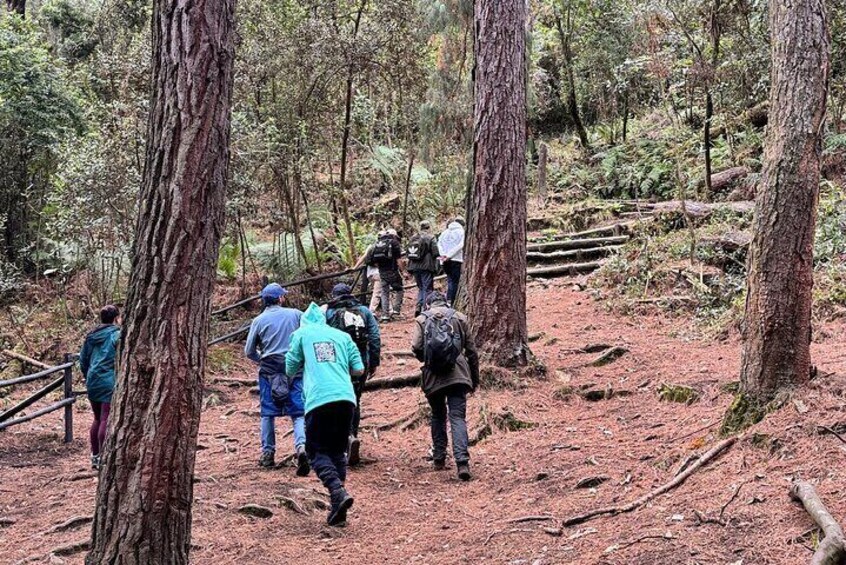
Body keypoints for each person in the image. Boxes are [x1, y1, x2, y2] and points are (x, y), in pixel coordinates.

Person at [286, 303, 365, 527]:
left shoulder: (300, 334)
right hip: (346, 398)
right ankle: (337, 507)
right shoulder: (341, 336)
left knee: (314, 450)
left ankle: (337, 491)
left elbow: (290, 367)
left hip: (319, 400)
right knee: (338, 450)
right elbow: (358, 369)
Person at [411, 291, 479, 481]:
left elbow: (416, 347)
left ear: (428, 305)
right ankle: (462, 462)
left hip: (433, 376)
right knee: (457, 417)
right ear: (446, 302)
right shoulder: (459, 317)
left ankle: (439, 458)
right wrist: (474, 378)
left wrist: (429, 360)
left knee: (438, 415)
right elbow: (472, 350)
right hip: (458, 374)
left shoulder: (421, 319)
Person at [244, 283, 309, 476]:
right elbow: (306, 336)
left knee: (268, 412)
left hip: (269, 370)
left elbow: (249, 351)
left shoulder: (258, 320)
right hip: (294, 367)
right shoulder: (296, 315)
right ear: (280, 298)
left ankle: (268, 453)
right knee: (298, 412)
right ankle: (301, 447)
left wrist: (262, 359)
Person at [324, 283, 381, 465]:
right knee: (355, 399)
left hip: (337, 365)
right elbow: (374, 336)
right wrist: (374, 362)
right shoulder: (364, 311)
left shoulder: (329, 313)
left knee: (336, 400)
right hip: (360, 362)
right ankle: (352, 435)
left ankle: (339, 442)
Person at [79, 305, 121, 470]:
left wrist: (87, 375)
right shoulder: (116, 335)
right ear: (115, 318)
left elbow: (83, 360)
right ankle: (104, 457)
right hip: (108, 380)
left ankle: (95, 456)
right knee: (105, 418)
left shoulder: (91, 336)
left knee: (97, 418)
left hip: (92, 380)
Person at [367, 228, 403, 322]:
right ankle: (396, 311)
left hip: (382, 272)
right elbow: (399, 260)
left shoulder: (377, 245)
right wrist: (404, 271)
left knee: (384, 293)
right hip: (392, 271)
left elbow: (372, 261)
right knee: (399, 289)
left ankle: (385, 316)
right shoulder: (394, 243)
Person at [407, 220, 440, 316]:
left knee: (421, 287)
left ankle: (419, 305)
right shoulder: (430, 237)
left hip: (414, 266)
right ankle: (426, 309)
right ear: (428, 227)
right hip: (426, 266)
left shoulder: (413, 238)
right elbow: (435, 252)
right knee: (427, 288)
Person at [437, 217, 465, 305]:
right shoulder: (461, 232)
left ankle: (448, 299)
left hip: (444, 260)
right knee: (455, 281)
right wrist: (449, 255)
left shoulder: (444, 233)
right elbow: (461, 245)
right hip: (456, 259)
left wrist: (444, 255)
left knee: (449, 280)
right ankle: (452, 301)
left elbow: (439, 244)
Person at [354, 238, 383, 315]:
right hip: (379, 273)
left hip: (370, 274)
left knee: (382, 291)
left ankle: (390, 310)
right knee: (377, 293)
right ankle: (371, 312)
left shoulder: (370, 247)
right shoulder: (383, 247)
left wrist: (354, 267)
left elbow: (363, 258)